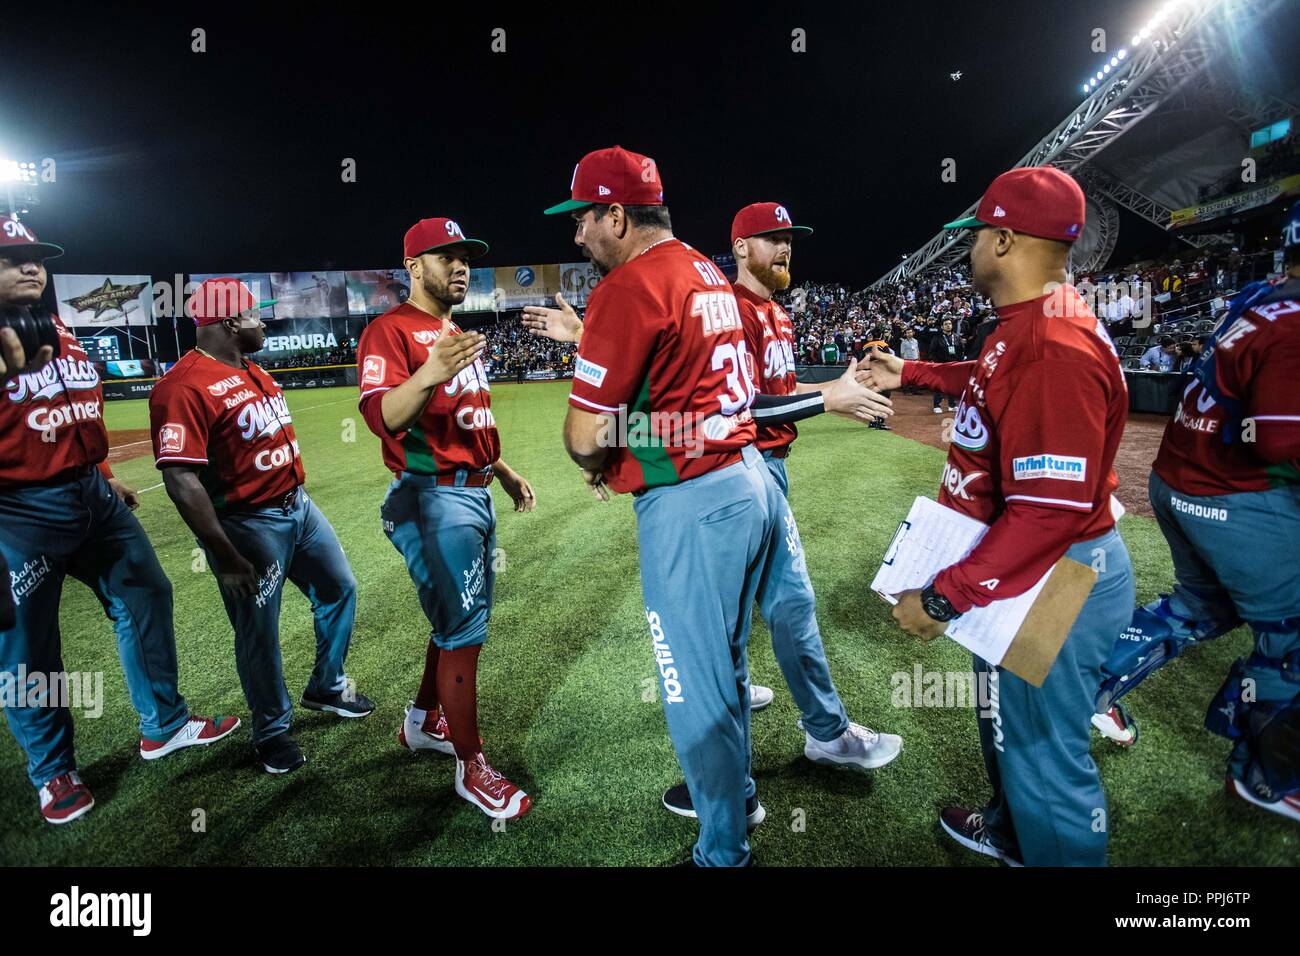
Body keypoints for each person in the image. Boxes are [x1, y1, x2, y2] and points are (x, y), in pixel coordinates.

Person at [542, 146, 881, 865]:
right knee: (726, 665)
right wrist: (631, 440)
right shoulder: (702, 268)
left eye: (583, 219)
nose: (577, 236)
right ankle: (745, 794)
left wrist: (608, 453)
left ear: (616, 215)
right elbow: (685, 406)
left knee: (691, 684)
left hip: (694, 503)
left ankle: (722, 847)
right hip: (752, 476)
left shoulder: (630, 285)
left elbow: (581, 436)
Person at [864, 166, 1133, 866]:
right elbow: (990, 373)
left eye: (978, 233)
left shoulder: (1050, 344)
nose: (970, 247)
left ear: (1007, 240)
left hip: (1055, 578)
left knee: (1044, 758)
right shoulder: (1036, 322)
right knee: (1010, 735)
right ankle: (1013, 836)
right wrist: (914, 374)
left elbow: (1047, 515)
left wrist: (945, 598)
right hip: (1034, 573)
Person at [1, 224, 237, 824]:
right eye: (13, 260)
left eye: (36, 259)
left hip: (90, 496)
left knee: (147, 593)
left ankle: (164, 725)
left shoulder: (56, 330)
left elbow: (70, 408)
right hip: (18, 511)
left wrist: (103, 471)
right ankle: (53, 772)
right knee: (29, 648)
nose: (32, 268)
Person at [1090, 201, 1300, 823]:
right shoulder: (1295, 323)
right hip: (1231, 493)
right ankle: (1266, 778)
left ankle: (1086, 689)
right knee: (1291, 635)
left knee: (1201, 606)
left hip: (1176, 480)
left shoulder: (1260, 296)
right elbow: (1282, 442)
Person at [150, 277, 370, 775]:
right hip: (249, 524)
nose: (263, 321)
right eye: (254, 315)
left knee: (339, 588)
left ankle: (327, 685)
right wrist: (225, 554)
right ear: (230, 323)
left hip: (299, 508)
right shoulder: (182, 385)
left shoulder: (251, 368)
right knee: (259, 632)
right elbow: (181, 479)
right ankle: (271, 731)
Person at [358, 217, 536, 820]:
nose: (461, 267)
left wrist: (503, 471)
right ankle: (471, 766)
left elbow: (468, 422)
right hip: (431, 499)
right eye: (447, 256)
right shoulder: (390, 331)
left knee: (452, 622)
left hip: (472, 490)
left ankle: (422, 721)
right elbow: (384, 415)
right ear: (414, 267)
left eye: (466, 258)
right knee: (465, 634)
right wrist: (429, 371)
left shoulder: (451, 329)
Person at [927, 318, 961, 412]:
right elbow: (931, 352)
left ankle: (952, 404)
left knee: (952, 385)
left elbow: (961, 351)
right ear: (942, 326)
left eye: (949, 324)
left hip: (954, 365)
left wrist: (959, 362)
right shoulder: (937, 338)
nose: (948, 325)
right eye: (946, 324)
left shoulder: (957, 337)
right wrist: (938, 363)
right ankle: (937, 405)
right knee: (939, 385)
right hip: (941, 365)